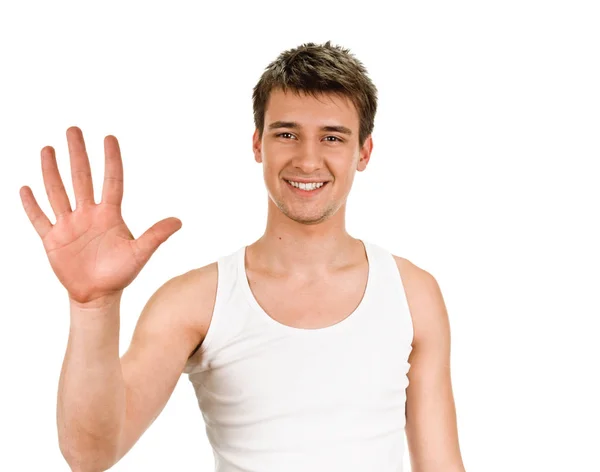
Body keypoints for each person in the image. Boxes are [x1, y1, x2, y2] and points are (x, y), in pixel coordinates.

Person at [20, 41, 466, 471]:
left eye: (332, 137)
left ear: (363, 152)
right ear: (258, 144)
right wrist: (92, 307)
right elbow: (91, 454)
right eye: (287, 133)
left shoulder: (412, 293)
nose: (308, 160)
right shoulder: (195, 301)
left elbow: (441, 465)